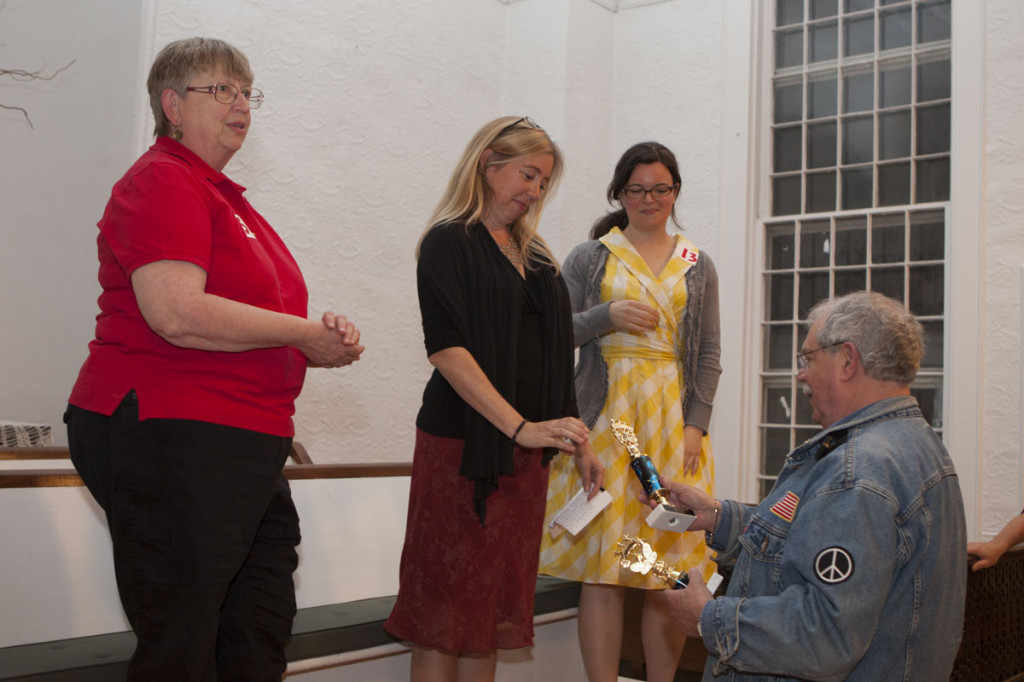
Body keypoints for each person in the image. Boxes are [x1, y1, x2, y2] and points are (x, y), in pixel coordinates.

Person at [64, 37, 364, 681]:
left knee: (255, 630)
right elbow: (176, 312)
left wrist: (316, 342)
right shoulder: (162, 178)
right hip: (172, 429)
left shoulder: (226, 197)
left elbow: (245, 319)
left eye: (246, 92)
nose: (240, 105)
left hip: (241, 437)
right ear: (172, 104)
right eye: (220, 89)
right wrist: (302, 331)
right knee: (183, 643)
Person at [383, 116, 605, 682]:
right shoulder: (447, 241)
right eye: (528, 175)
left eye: (543, 182)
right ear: (488, 162)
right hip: (462, 449)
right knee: (443, 616)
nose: (533, 192)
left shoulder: (537, 257)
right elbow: (448, 350)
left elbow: (554, 358)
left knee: (487, 621)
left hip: (523, 458)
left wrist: (577, 438)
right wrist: (517, 427)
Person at [649, 291, 966, 681]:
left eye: (808, 358)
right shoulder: (916, 445)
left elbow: (825, 634)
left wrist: (708, 617)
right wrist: (718, 517)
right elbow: (816, 538)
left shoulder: (859, 472)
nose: (800, 374)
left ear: (848, 360)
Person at [538, 141, 721, 682]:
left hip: (673, 424)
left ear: (675, 192)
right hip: (605, 420)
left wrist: (696, 425)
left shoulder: (696, 262)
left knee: (667, 569)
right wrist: (606, 315)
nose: (649, 198)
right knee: (606, 568)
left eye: (660, 188)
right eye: (637, 189)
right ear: (620, 193)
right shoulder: (590, 256)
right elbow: (553, 333)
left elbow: (708, 351)